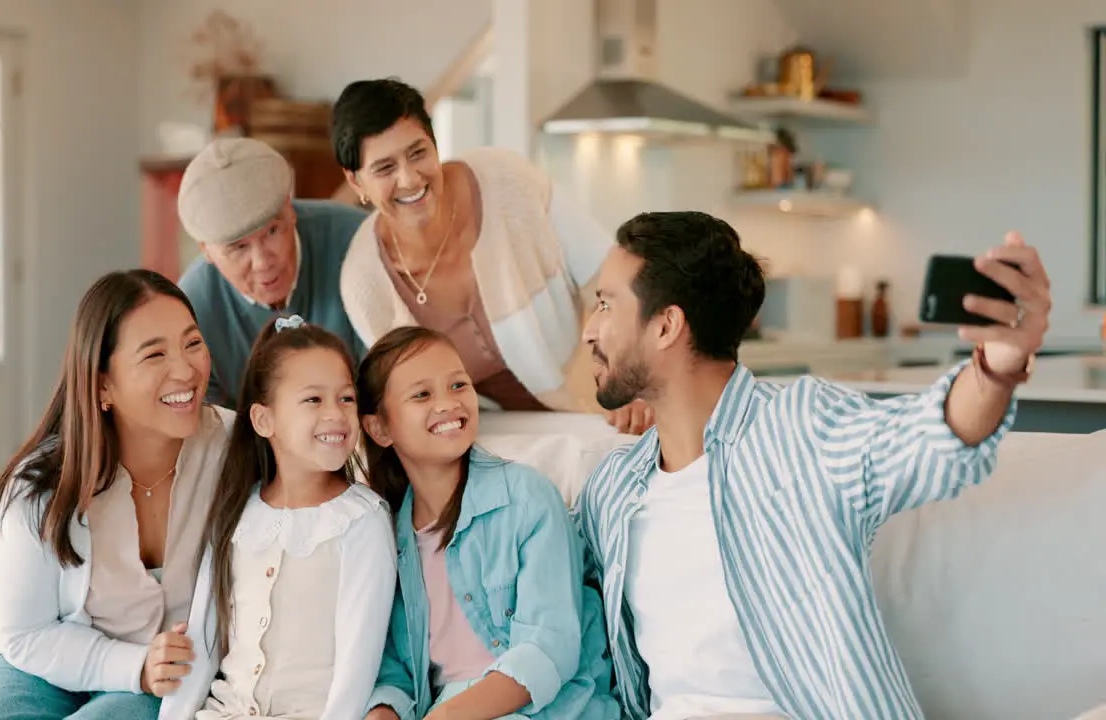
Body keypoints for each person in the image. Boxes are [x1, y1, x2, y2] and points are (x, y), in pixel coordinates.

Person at [574, 211, 1052, 720]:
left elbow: (925, 437)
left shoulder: (799, 430)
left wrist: (996, 368)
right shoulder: (614, 489)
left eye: (605, 304)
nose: (589, 330)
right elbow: (541, 599)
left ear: (666, 325)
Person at [0, 269, 235, 720]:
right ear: (103, 383)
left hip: (169, 670)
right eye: (154, 354)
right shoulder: (41, 484)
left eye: (192, 343)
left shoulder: (237, 453)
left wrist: (148, 670)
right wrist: (131, 665)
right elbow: (25, 635)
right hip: (46, 660)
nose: (185, 370)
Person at [329, 77, 653, 434]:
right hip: (486, 442)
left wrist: (627, 380)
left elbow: (616, 283)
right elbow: (407, 397)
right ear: (356, 181)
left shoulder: (506, 179)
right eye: (385, 168)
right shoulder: (363, 281)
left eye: (418, 153)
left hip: (601, 411)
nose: (409, 179)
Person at [357, 326, 620, 720]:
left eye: (458, 385)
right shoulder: (386, 535)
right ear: (379, 427)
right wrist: (383, 711)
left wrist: (446, 717)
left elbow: (548, 647)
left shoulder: (527, 498)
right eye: (422, 394)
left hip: (546, 706)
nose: (448, 403)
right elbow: (396, 664)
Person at [160, 315, 397, 720]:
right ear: (263, 420)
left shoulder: (362, 521)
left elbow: (358, 664)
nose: (336, 415)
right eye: (313, 400)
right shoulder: (235, 515)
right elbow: (203, 638)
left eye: (346, 398)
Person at [176, 137, 369, 409]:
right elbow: (213, 430)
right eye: (238, 247)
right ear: (206, 250)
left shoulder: (360, 242)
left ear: (290, 208)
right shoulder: (191, 312)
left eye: (272, 231)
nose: (262, 262)